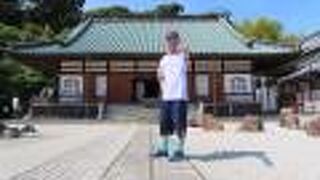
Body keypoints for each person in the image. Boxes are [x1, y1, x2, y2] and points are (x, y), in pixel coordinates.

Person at [152, 30, 189, 161]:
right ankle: (164, 148)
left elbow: (186, 50)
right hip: (166, 97)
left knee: (179, 124)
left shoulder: (182, 57)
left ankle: (179, 150)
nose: (170, 43)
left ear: (177, 42)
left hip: (179, 97)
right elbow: (160, 76)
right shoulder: (163, 59)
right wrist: (159, 76)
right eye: (168, 41)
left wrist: (182, 48)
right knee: (164, 124)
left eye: (173, 40)